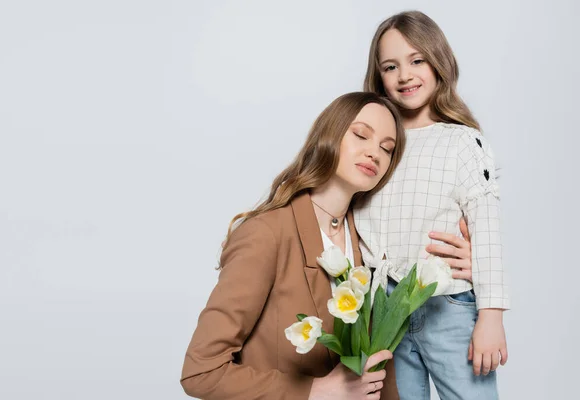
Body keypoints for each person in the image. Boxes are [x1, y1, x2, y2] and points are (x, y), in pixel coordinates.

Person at [181, 92, 405, 400]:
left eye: (386, 148)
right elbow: (201, 372)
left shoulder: (371, 242)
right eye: (361, 135)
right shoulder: (268, 233)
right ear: (330, 134)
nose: (374, 153)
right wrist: (314, 391)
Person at [355, 10, 509, 399]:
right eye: (391, 66)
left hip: (447, 306)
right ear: (380, 77)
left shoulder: (462, 142)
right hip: (383, 311)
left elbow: (486, 230)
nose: (405, 75)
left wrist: (490, 316)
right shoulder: (375, 146)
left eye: (417, 60)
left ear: (439, 61)